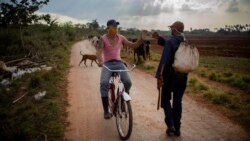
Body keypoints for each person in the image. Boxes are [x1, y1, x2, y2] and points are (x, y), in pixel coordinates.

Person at [96, 19, 147, 119]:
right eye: (113, 26)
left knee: (128, 82)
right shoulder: (103, 38)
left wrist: (141, 40)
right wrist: (100, 61)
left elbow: (133, 45)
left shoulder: (121, 37)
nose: (115, 28)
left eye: (116, 27)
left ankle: (122, 102)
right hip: (107, 64)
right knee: (104, 83)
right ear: (108, 28)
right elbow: (99, 51)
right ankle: (106, 111)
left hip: (119, 63)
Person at [155, 21, 188, 136]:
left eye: (172, 29)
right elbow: (171, 43)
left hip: (170, 76)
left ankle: (171, 124)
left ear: (175, 30)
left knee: (165, 100)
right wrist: (159, 38)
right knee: (177, 101)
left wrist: (159, 75)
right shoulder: (185, 41)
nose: (171, 30)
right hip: (183, 76)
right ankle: (177, 128)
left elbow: (164, 60)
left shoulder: (171, 42)